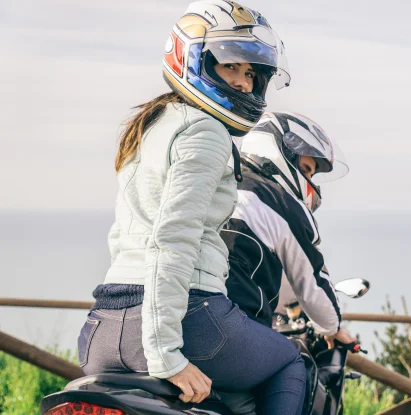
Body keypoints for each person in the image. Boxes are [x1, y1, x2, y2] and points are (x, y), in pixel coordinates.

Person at [77, 2, 306, 413]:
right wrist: (165, 351)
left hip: (103, 328)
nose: (242, 82)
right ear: (194, 60)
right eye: (230, 67)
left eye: (251, 73)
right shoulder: (206, 131)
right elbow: (173, 239)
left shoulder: (151, 124)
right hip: (188, 319)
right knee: (290, 361)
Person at [220, 111, 358, 353]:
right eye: (305, 169)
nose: (308, 182)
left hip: (177, 318)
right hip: (232, 327)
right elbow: (311, 282)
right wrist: (333, 328)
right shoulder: (280, 203)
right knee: (294, 364)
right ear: (280, 151)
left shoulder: (221, 182)